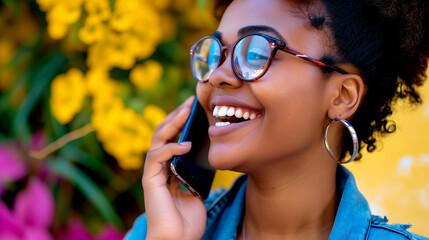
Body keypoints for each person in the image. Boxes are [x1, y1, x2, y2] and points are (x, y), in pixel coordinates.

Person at [125, 0, 429, 239]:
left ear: (342, 96)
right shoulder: (157, 230)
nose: (217, 75)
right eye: (214, 54)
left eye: (256, 53)